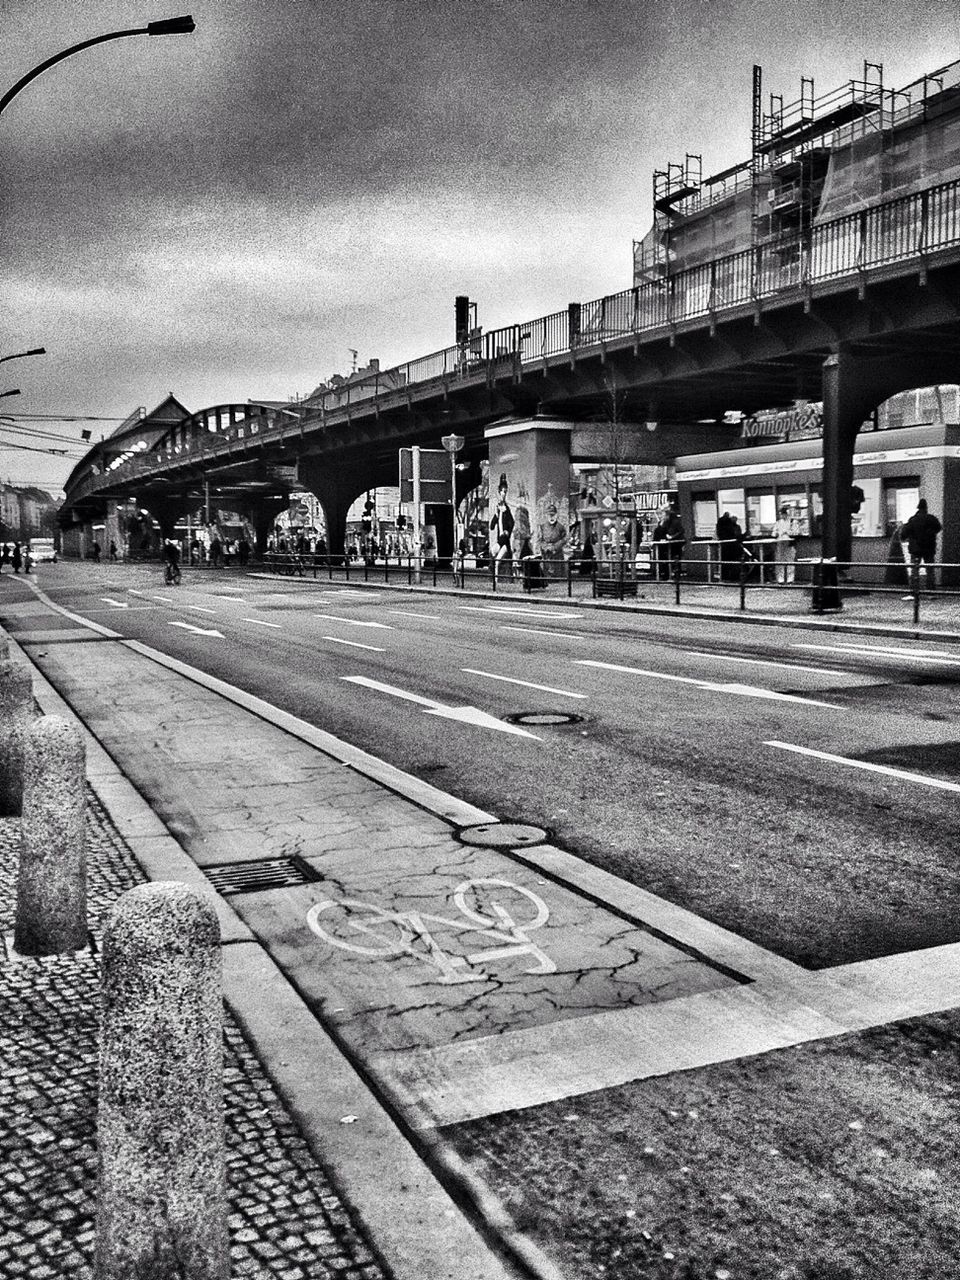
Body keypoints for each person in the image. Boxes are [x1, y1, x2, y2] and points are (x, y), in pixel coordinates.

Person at [901, 498, 942, 586]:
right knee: (930, 570)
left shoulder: (913, 520)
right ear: (926, 508)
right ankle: (930, 591)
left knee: (914, 570)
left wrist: (905, 538)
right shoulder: (931, 519)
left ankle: (914, 590)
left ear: (918, 508)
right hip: (929, 548)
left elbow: (904, 533)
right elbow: (938, 528)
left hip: (916, 549)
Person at [490, 473, 515, 581]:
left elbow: (512, 522)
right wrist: (496, 515)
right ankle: (493, 578)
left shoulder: (507, 510)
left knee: (498, 560)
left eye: (505, 492)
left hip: (505, 542)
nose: (503, 494)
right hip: (499, 541)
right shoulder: (498, 511)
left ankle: (496, 580)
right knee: (492, 552)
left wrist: (507, 531)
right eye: (502, 492)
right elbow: (491, 527)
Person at [651, 506, 685, 580]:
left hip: (675, 544)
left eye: (663, 515)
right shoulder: (663, 523)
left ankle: (674, 574)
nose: (662, 516)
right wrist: (661, 524)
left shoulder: (675, 522)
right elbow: (659, 532)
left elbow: (681, 531)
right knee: (664, 557)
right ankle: (665, 574)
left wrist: (672, 537)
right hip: (665, 544)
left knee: (673, 558)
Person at [715, 511, 743, 583]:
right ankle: (734, 577)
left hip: (724, 545)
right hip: (733, 545)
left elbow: (719, 534)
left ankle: (725, 577)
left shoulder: (720, 524)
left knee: (725, 562)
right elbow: (737, 535)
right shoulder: (732, 526)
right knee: (733, 562)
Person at [773, 505, 796, 584]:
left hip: (789, 543)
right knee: (779, 561)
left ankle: (790, 578)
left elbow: (795, 532)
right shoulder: (778, 523)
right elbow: (773, 533)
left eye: (783, 514)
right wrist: (775, 533)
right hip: (780, 543)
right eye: (781, 514)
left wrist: (787, 532)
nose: (782, 515)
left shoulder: (792, 522)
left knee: (790, 560)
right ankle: (780, 578)